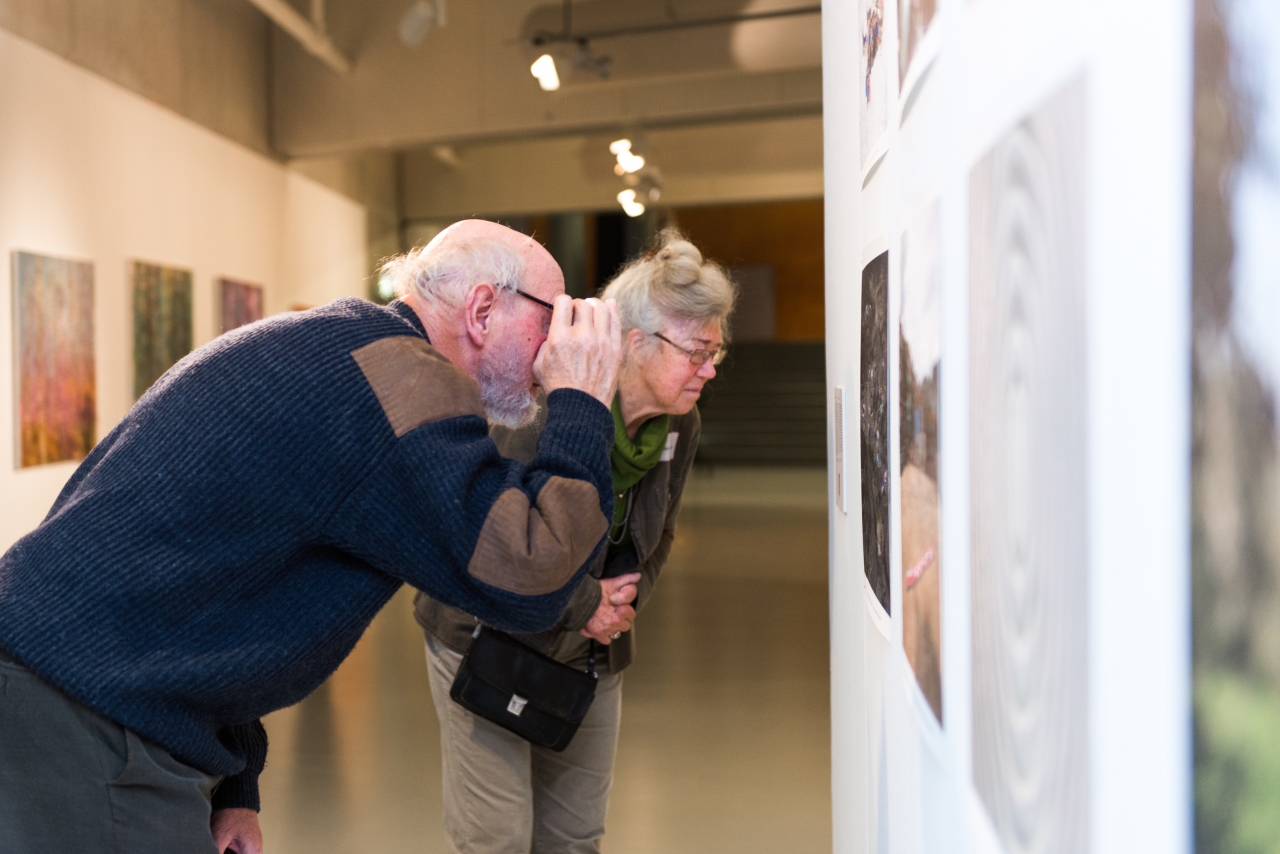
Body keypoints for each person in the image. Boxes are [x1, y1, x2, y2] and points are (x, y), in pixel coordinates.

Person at [0, 219, 624, 854]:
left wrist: (234, 784)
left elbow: (234, 571)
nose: (555, 351)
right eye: (552, 320)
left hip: (73, 687)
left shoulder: (339, 348)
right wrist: (584, 402)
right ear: (483, 309)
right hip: (86, 711)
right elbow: (533, 576)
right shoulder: (399, 381)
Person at [415, 229, 737, 854]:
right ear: (636, 343)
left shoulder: (682, 422)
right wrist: (586, 606)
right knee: (498, 839)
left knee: (575, 837)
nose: (710, 369)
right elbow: (490, 542)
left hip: (589, 650)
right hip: (485, 638)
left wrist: (624, 603)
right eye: (697, 350)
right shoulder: (542, 403)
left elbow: (662, 528)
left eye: (717, 352)